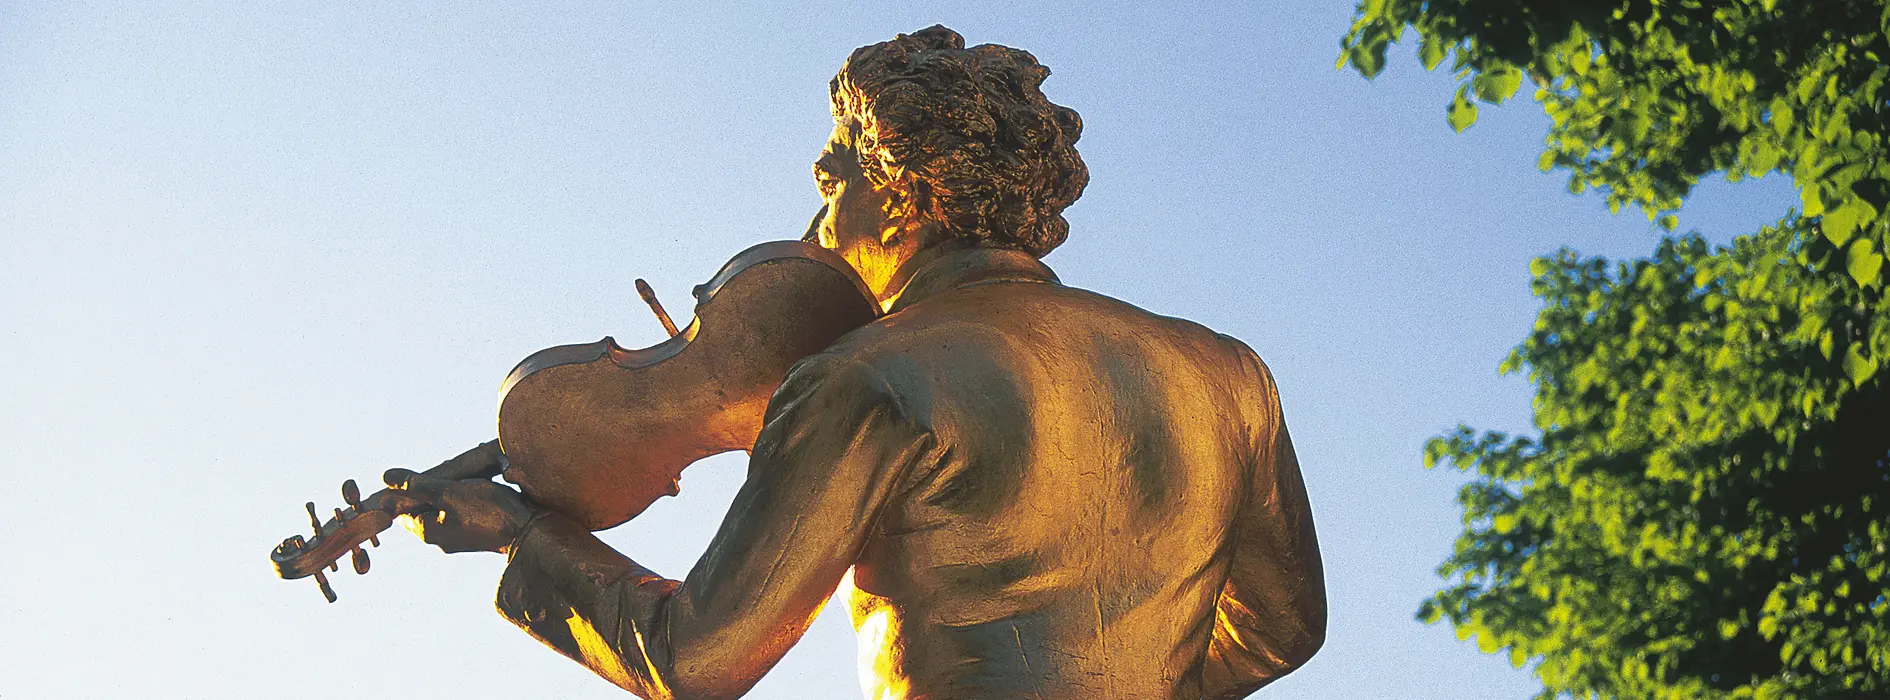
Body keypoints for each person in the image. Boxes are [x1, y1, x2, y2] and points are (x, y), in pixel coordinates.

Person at [387, 25, 1325, 699]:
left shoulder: (866, 375)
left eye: (833, 184)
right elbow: (1282, 631)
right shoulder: (1228, 374)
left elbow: (696, 659)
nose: (815, 227)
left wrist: (524, 539)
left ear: (904, 191)